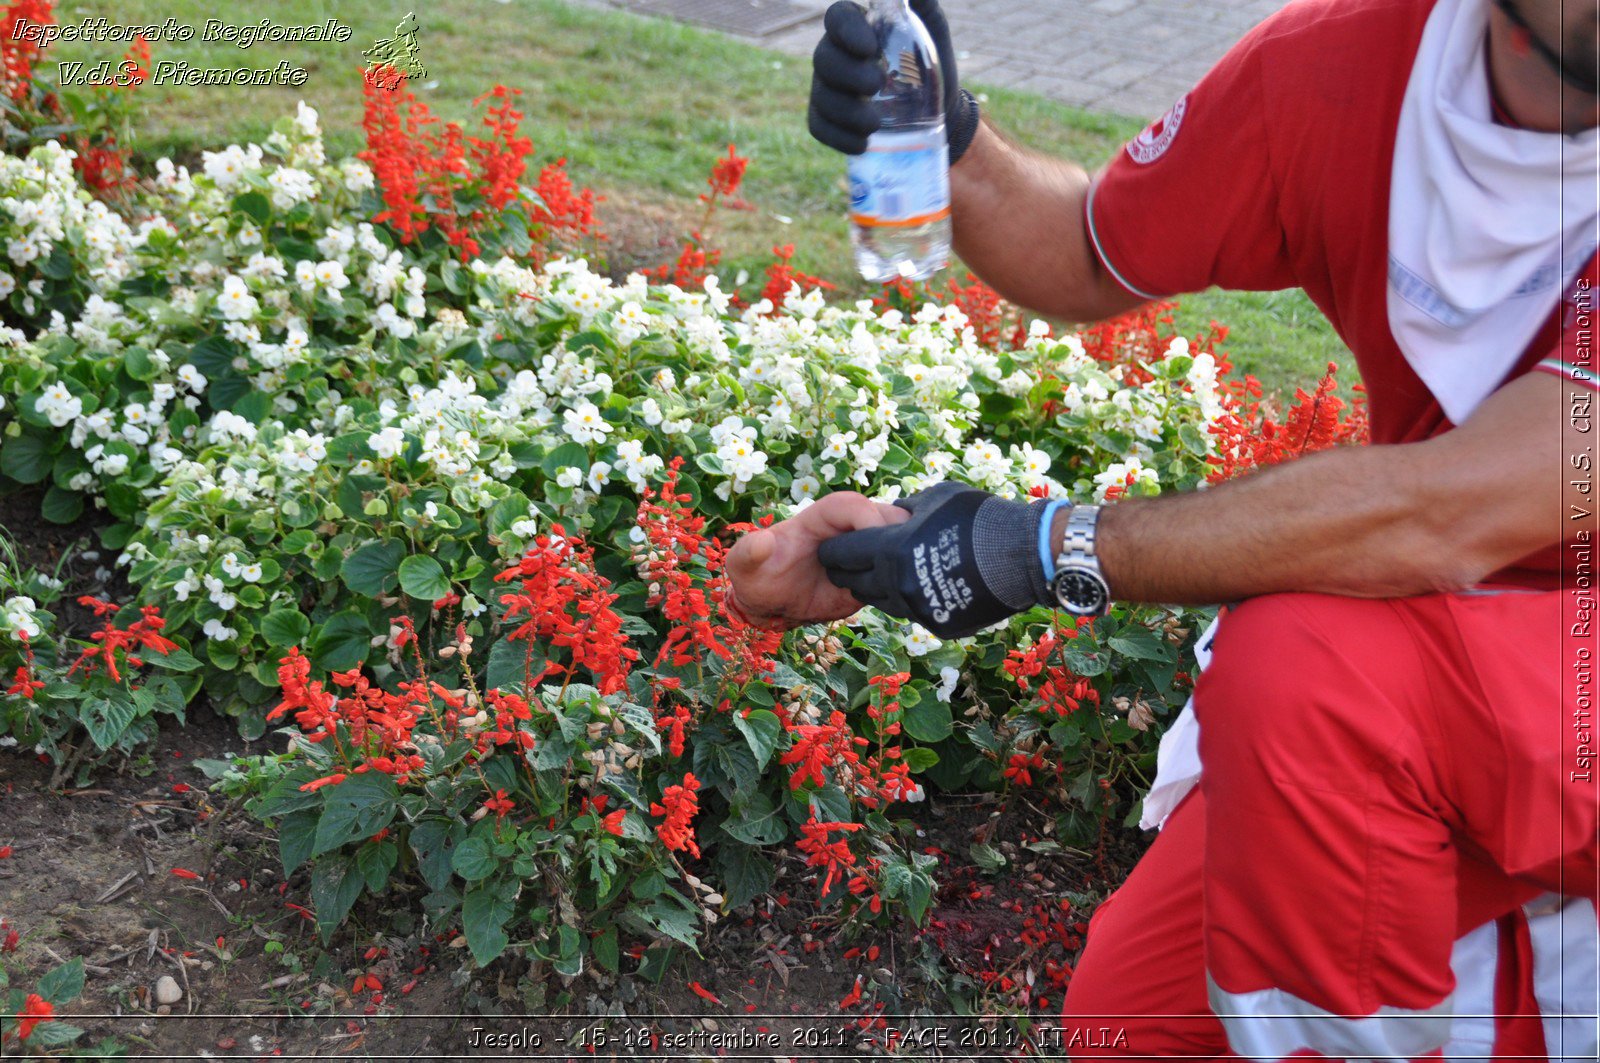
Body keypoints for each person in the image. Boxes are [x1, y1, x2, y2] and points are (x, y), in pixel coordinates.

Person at [724, 0, 1600, 1057]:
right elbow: (1092, 250)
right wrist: (951, 141)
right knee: (1138, 1014)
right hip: (1466, 664)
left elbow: (1451, 509)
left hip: (1508, 659)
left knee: (1310, 673)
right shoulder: (1341, 65)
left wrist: (1032, 547)